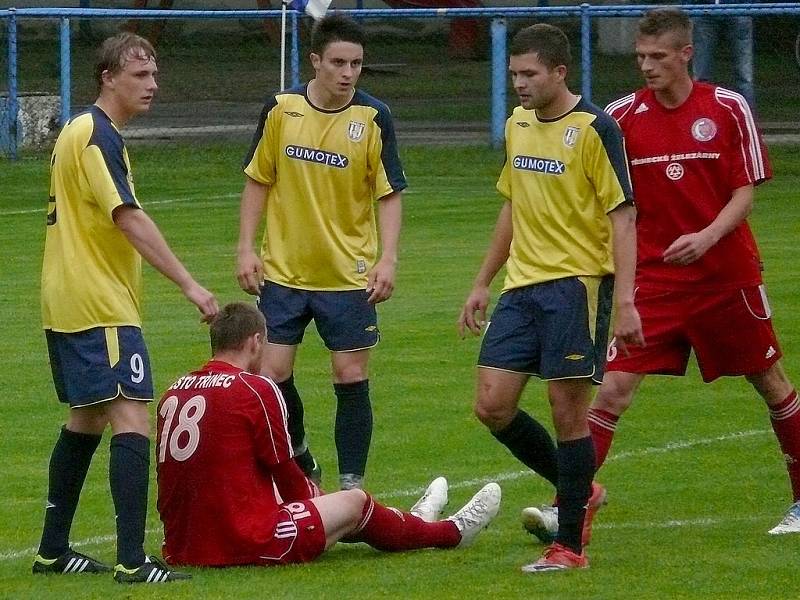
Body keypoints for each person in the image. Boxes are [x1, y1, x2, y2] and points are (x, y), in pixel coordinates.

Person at [525, 8, 800, 539]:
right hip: (653, 281)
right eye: (639, 58)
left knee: (770, 383)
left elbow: (745, 189)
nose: (646, 67)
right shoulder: (623, 116)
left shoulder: (726, 108)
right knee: (611, 392)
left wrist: (707, 236)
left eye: (656, 57)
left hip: (726, 277)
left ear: (685, 55)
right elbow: (605, 197)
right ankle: (569, 507)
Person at [32, 32, 218, 584]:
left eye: (155, 74)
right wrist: (190, 285)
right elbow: (128, 218)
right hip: (99, 303)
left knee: (86, 419)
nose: (152, 84)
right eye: (140, 75)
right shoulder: (97, 135)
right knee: (133, 419)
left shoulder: (81, 132)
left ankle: (52, 550)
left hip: (67, 299)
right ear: (107, 77)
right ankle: (133, 561)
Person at [457, 23, 643, 573]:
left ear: (560, 71)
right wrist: (482, 280)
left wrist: (626, 300)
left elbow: (623, 216)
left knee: (567, 413)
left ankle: (569, 546)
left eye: (529, 74)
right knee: (492, 405)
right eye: (514, 73)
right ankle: (584, 491)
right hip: (522, 286)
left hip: (578, 287)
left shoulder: (594, 129)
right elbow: (513, 204)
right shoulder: (517, 124)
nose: (519, 83)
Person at [156, 302, 501, 567]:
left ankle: (412, 522)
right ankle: (450, 532)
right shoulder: (255, 388)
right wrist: (324, 505)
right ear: (256, 341)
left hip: (183, 545)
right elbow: (288, 476)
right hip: (241, 543)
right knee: (354, 502)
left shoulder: (174, 391)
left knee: (315, 505)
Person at [237, 14, 406, 491]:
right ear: (315, 61)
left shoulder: (374, 117)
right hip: (284, 272)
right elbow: (257, 180)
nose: (347, 73)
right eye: (337, 62)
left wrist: (388, 258)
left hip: (348, 276)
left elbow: (390, 193)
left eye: (356, 63)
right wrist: (246, 248)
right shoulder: (281, 109)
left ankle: (351, 486)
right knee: (272, 374)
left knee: (349, 374)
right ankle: (301, 459)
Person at [686, 0, 755, 108]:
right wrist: (690, 8)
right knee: (701, 76)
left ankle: (747, 121)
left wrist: (749, 5)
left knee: (744, 78)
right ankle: (700, 117)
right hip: (703, 10)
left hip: (738, 7)